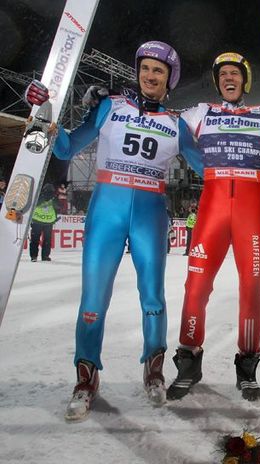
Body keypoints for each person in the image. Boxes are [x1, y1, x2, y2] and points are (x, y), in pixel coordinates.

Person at [25, 40, 204, 421]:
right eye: (145, 69)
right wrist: (43, 110)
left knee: (153, 297)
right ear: (137, 73)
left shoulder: (177, 124)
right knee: (93, 299)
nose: (150, 76)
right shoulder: (110, 107)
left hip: (151, 212)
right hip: (107, 208)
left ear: (170, 79)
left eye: (158, 71)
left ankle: (153, 371)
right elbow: (67, 148)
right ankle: (86, 379)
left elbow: (209, 169)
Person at [167, 52, 260, 402]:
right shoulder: (199, 113)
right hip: (213, 210)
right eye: (223, 74)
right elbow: (154, 118)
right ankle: (188, 360)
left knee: (252, 289)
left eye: (236, 73)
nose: (229, 78)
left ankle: (247, 366)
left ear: (246, 80)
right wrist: (107, 100)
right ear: (217, 82)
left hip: (252, 212)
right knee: (195, 287)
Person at [29, 183, 59, 262]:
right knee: (47, 240)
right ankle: (45, 256)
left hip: (36, 221)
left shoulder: (38, 196)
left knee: (35, 240)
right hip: (49, 222)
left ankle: (34, 256)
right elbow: (58, 207)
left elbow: (33, 205)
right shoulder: (54, 197)